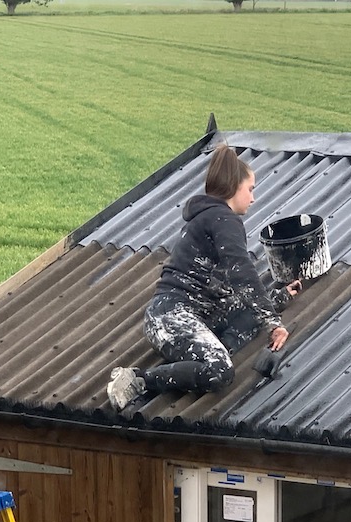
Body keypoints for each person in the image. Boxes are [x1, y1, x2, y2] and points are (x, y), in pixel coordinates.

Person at [107, 144, 301, 411]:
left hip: (183, 314)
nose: (253, 198)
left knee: (245, 316)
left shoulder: (211, 218)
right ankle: (138, 379)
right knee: (220, 371)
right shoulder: (224, 219)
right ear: (234, 187)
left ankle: (216, 349)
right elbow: (240, 271)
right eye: (250, 189)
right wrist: (273, 323)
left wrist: (275, 299)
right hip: (172, 317)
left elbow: (236, 293)